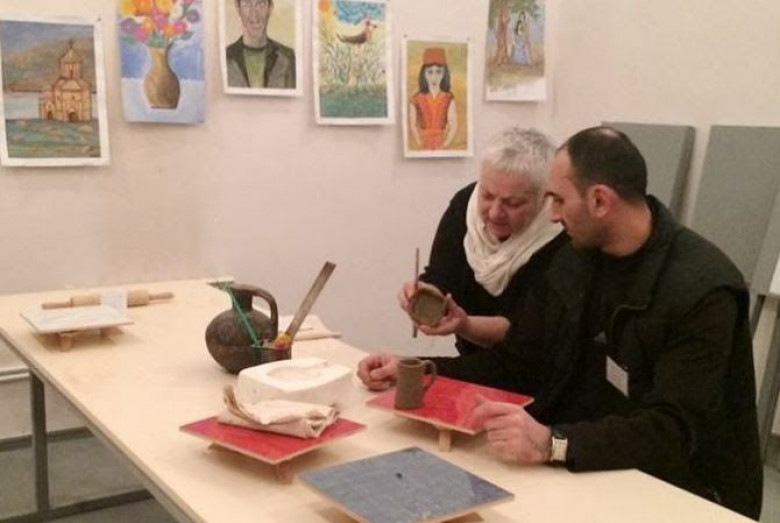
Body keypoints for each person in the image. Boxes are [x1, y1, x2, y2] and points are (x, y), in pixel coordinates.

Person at [359, 126, 763, 520]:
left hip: (681, 490)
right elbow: (520, 362)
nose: (551, 215)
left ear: (600, 201)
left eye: (557, 200)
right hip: (590, 460)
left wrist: (554, 443)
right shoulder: (576, 259)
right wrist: (419, 371)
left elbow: (672, 430)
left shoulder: (702, 290)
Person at [399, 127, 567, 355]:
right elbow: (441, 278)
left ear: (543, 197)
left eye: (513, 203)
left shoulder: (561, 235)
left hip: (535, 364)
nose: (495, 212)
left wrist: (465, 325)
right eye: (487, 195)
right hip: (474, 356)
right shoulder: (464, 206)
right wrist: (424, 295)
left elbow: (525, 332)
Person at [226, 0, 296, 89]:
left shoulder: (287, 58)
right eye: (247, 4)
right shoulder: (226, 57)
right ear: (238, 8)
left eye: (261, 4)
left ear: (270, 8)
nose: (254, 15)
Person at [409, 47, 457, 150]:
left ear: (444, 74)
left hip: (441, 144)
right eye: (430, 72)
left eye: (438, 72)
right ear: (424, 74)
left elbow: (453, 125)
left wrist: (444, 145)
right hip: (423, 145)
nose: (434, 77)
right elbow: (413, 126)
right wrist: (420, 144)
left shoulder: (448, 98)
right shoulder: (416, 99)